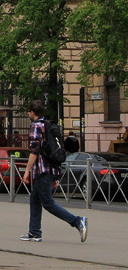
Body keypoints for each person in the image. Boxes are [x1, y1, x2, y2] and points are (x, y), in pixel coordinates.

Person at [20, 100, 87, 243]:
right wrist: (54, 176)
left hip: (43, 171)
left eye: (28, 111)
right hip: (51, 169)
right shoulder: (49, 125)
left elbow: (35, 150)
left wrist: (27, 170)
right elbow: (52, 149)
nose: (28, 114)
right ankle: (34, 232)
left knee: (48, 202)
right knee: (35, 199)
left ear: (32, 112)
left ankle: (77, 221)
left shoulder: (36, 126)